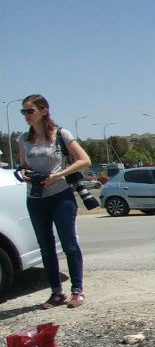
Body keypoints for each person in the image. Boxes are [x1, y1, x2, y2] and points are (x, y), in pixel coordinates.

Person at [17, 94, 92, 308]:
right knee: (46, 247)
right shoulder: (23, 139)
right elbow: (23, 164)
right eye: (23, 112)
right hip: (35, 197)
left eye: (30, 111)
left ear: (43, 110)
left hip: (61, 196)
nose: (26, 116)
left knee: (69, 245)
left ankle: (77, 291)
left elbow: (85, 160)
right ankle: (56, 292)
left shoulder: (61, 134)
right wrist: (24, 173)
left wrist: (58, 175)